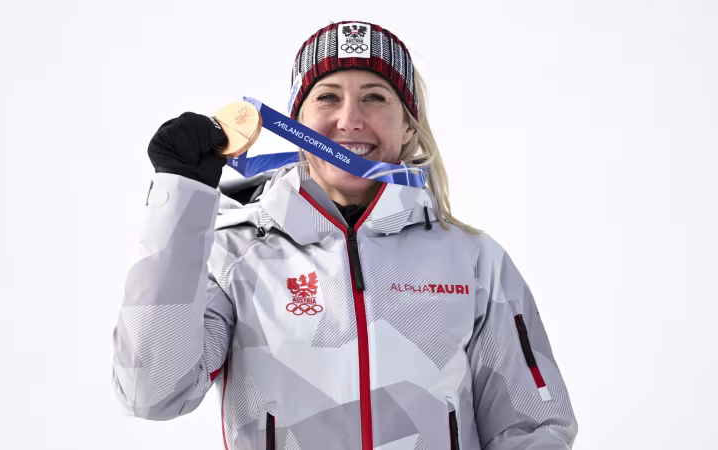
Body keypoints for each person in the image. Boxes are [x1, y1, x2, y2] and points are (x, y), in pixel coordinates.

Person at [112, 20, 578, 450]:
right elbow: (152, 391)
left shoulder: (474, 261)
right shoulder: (234, 254)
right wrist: (181, 198)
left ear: (408, 125)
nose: (350, 119)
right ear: (296, 122)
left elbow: (532, 428)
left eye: (375, 97)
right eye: (328, 97)